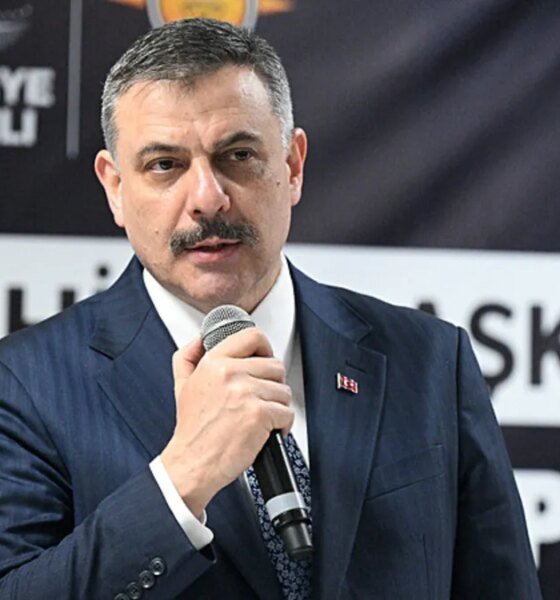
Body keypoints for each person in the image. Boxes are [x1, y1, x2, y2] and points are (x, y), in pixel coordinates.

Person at [0, 17, 541, 600]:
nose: (207, 199)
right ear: (115, 187)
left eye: (237, 155)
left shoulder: (431, 361)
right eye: (164, 165)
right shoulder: (27, 384)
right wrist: (181, 480)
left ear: (292, 166)